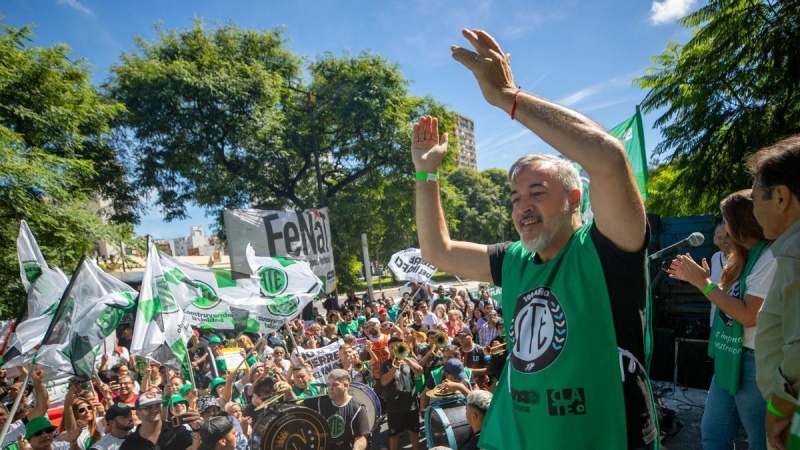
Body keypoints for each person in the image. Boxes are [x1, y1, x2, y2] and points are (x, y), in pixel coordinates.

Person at [412, 29, 656, 449]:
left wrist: (508, 96)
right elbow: (438, 252)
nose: (522, 206)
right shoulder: (514, 260)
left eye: (537, 193)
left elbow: (610, 158)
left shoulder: (606, 250)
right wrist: (425, 174)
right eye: (515, 197)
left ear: (574, 197)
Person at [668, 190, 774, 450]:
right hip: (731, 355)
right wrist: (704, 282)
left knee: (762, 442)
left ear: (741, 222)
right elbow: (728, 303)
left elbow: (748, 315)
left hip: (754, 361)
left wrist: (704, 284)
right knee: (713, 434)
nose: (724, 229)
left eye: (726, 220)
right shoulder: (740, 259)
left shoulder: (770, 256)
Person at [747, 136, 800, 449]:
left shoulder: (795, 252)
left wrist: (779, 407)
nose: (754, 211)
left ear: (780, 197)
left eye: (755, 200)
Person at [302, 369, 370, 450]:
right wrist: (289, 391)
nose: (330, 388)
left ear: (346, 385)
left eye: (335, 385)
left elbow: (361, 438)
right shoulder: (320, 402)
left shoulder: (358, 409)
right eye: (329, 385)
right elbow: (296, 405)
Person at [380, 337, 423, 450]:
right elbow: (384, 382)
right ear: (388, 349)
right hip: (393, 406)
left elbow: (420, 371)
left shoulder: (410, 360)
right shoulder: (385, 365)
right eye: (392, 347)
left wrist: (407, 359)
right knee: (394, 434)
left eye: (397, 347)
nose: (395, 349)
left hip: (411, 404)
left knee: (414, 431)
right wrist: (394, 367)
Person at [119, 390, 198, 450]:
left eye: (157, 405)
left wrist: (196, 430)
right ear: (138, 413)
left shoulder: (177, 431)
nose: (155, 410)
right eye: (148, 407)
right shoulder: (130, 444)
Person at [708, 223, 733, 325]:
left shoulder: (742, 257)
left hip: (734, 315)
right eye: (719, 238)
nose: (724, 241)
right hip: (716, 313)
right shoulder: (715, 257)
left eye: (727, 237)